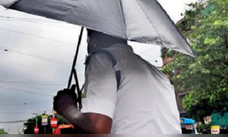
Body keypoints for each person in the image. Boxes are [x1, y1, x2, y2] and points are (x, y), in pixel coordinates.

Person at [53, 29, 181, 134]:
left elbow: (98, 127)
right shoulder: (158, 74)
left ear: (94, 41)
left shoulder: (102, 58)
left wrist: (67, 108)